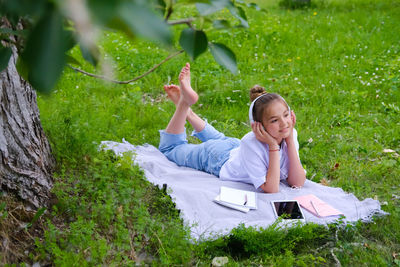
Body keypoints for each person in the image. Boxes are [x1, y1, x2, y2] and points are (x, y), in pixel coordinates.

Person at [158, 63, 306, 193]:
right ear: (258, 125)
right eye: (274, 120)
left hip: (234, 147)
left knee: (221, 139)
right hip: (217, 159)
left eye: (286, 115)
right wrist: (273, 146)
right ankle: (184, 104)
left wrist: (290, 141)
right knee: (170, 149)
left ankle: (187, 112)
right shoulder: (251, 143)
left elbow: (297, 182)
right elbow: (271, 188)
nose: (284, 123)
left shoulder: (289, 134)